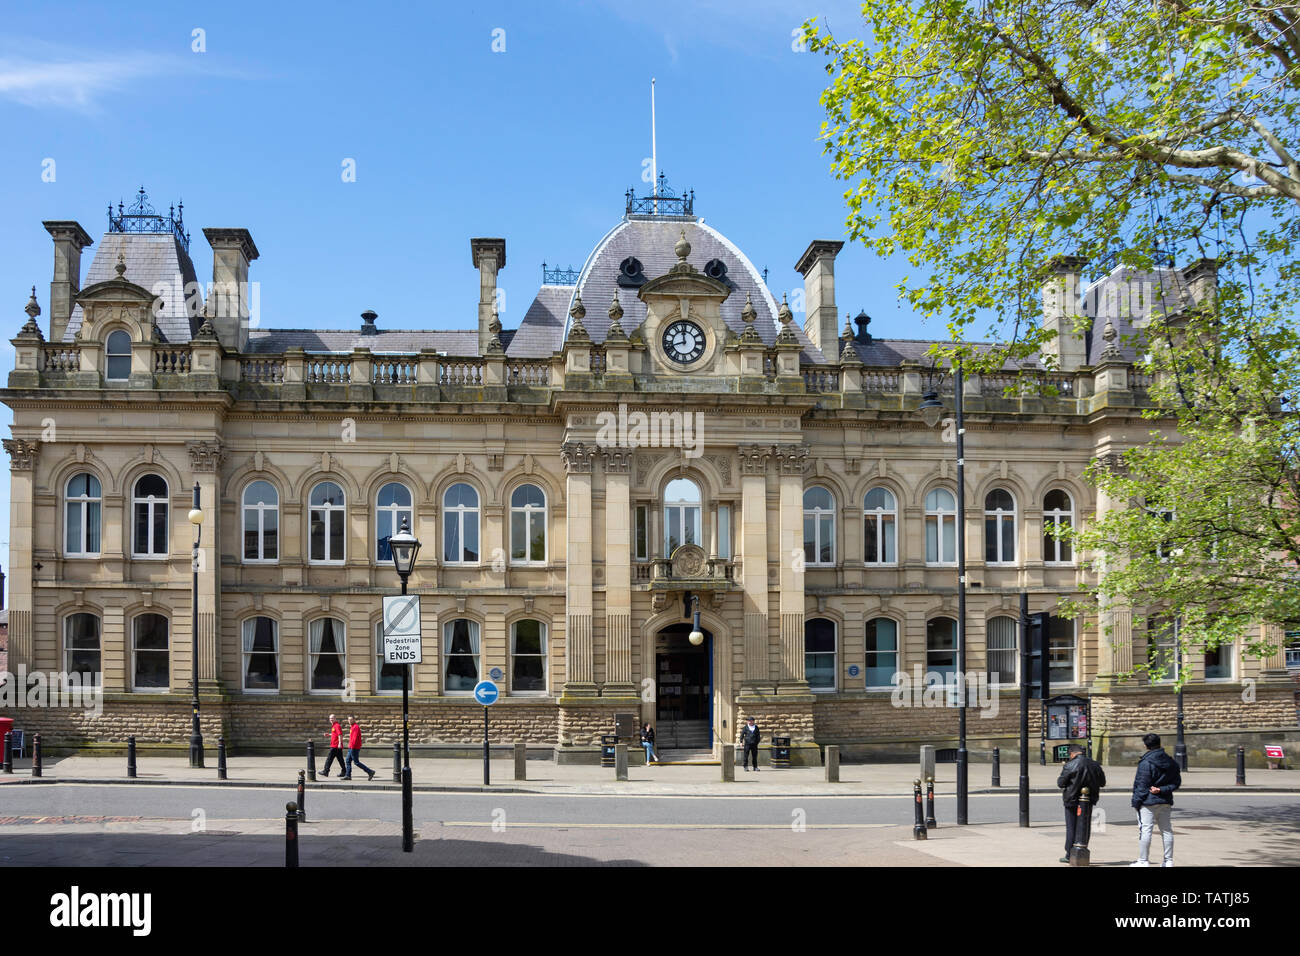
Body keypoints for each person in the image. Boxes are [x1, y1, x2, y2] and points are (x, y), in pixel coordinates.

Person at [1130, 732, 1181, 867]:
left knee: (1146, 830)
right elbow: (1176, 783)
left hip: (1148, 802)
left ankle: (1143, 860)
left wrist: (1136, 802)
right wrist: (1162, 790)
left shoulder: (1146, 762)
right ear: (1159, 743)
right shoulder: (1171, 762)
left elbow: (1142, 785)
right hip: (1165, 801)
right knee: (1167, 830)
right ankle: (1168, 861)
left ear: (1146, 746)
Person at [1056, 743, 1106, 863]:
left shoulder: (1070, 765)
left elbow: (1061, 783)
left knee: (1071, 827)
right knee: (1084, 825)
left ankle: (1069, 853)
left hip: (1072, 799)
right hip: (1089, 800)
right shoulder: (1095, 765)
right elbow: (1102, 782)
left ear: (1072, 753)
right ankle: (1082, 849)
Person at [342, 717, 375, 781]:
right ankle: (348, 775)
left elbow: (354, 739)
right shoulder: (352, 727)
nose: (349, 721)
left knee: (356, 762)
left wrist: (352, 747)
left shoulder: (355, 727)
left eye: (351, 719)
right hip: (351, 747)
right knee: (348, 760)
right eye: (348, 719)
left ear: (354, 720)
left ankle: (370, 772)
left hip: (354, 748)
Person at [322, 714, 347, 778]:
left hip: (335, 746)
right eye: (330, 718)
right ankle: (344, 771)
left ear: (335, 719)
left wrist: (339, 743)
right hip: (336, 746)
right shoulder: (334, 726)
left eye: (332, 718)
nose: (331, 720)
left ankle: (325, 771)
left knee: (329, 759)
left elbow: (340, 735)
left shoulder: (337, 725)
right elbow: (335, 734)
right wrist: (329, 734)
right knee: (340, 759)